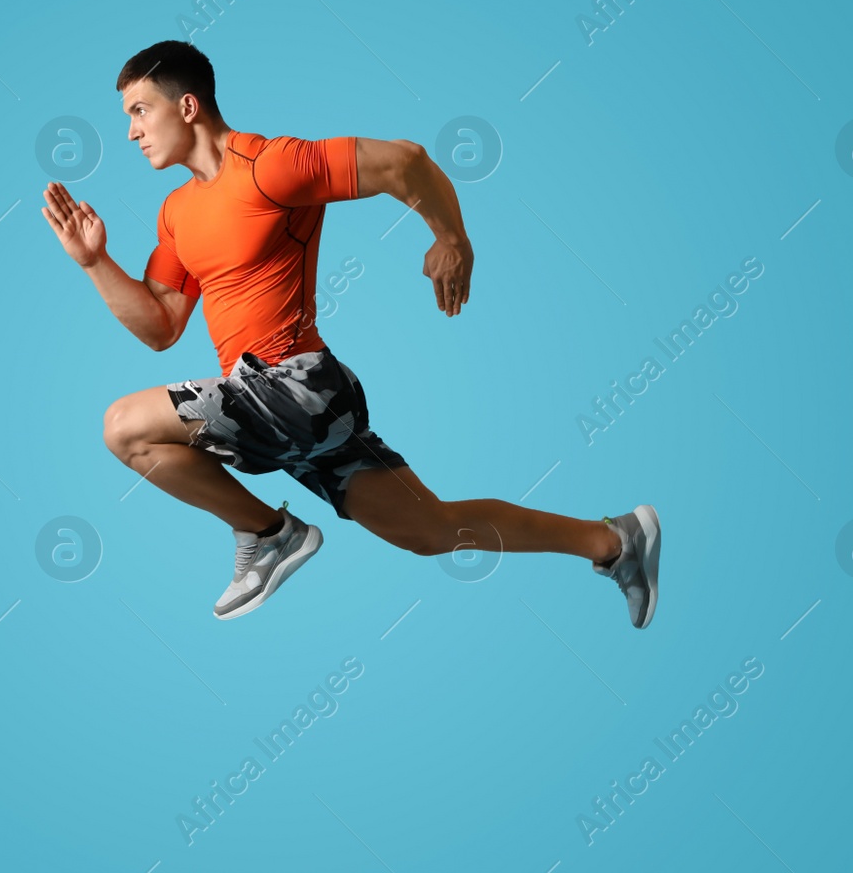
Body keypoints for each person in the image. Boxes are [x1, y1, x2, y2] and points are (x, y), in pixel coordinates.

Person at [41, 40, 659, 624]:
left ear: (188, 105)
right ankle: (613, 541)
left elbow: (406, 162)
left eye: (140, 110)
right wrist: (95, 262)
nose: (131, 131)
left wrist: (450, 238)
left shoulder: (270, 165)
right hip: (275, 408)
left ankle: (270, 534)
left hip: (300, 388)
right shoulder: (176, 213)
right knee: (428, 530)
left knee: (123, 426)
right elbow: (160, 325)